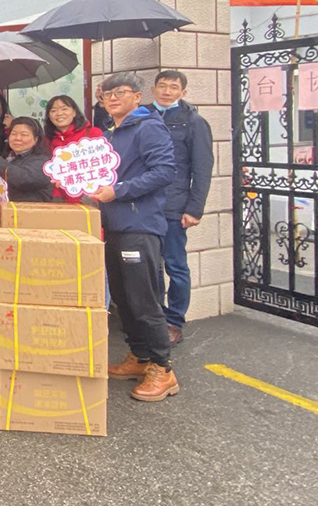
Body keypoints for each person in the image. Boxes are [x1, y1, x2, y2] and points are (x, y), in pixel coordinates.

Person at [89, 73, 178, 402]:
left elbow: (164, 172)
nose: (112, 98)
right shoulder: (111, 133)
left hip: (139, 227)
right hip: (114, 225)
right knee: (123, 299)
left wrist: (119, 191)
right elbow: (104, 177)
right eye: (107, 94)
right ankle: (139, 357)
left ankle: (162, 368)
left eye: (120, 92)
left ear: (137, 97)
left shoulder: (148, 127)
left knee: (144, 299)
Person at [147, 70, 213, 347]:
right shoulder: (142, 116)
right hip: (144, 204)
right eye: (162, 86)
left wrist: (195, 208)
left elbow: (202, 168)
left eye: (173, 87)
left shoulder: (194, 122)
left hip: (174, 206)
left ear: (183, 92)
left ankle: (174, 321)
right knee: (150, 266)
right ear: (153, 89)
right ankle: (154, 318)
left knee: (175, 265)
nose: (167, 91)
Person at [43, 95, 104, 203]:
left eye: (64, 109)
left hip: (88, 199)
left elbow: (103, 166)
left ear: (74, 112)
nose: (59, 113)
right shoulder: (47, 140)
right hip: (58, 201)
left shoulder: (93, 134)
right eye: (53, 110)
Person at [0, 117, 53, 203]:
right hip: (9, 209)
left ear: (36, 139)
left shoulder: (43, 162)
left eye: (24, 135)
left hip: (31, 210)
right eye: (13, 134)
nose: (17, 138)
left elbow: (21, 179)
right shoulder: (9, 157)